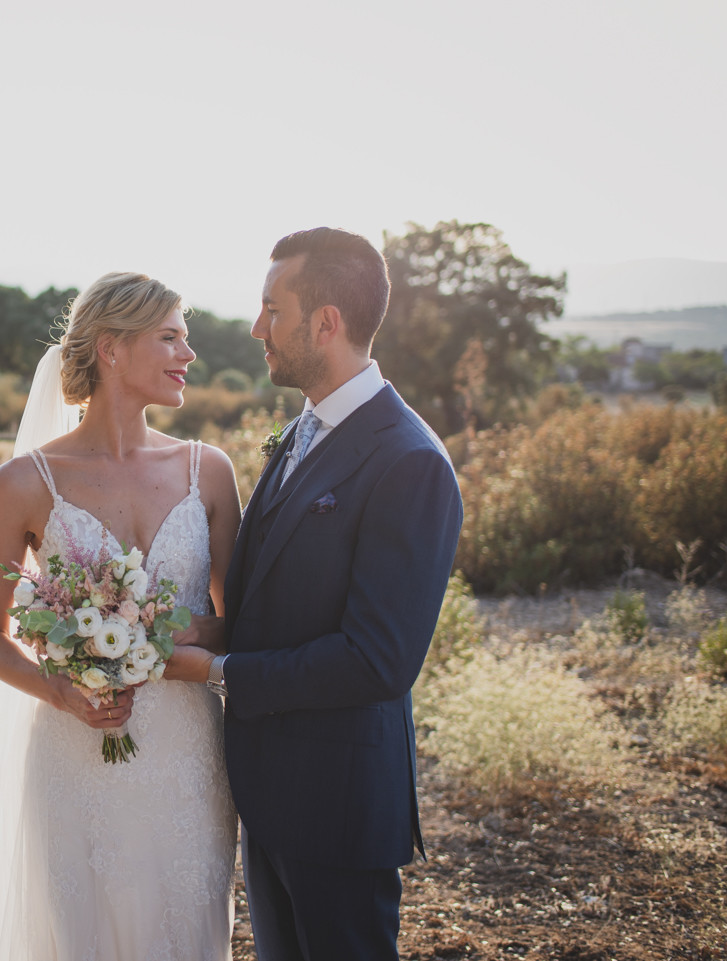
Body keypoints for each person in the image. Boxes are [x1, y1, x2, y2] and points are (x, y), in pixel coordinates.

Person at [0, 272, 243, 960]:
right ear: (112, 349)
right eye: (170, 337)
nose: (189, 354)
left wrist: (178, 633)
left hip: (188, 754)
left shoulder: (208, 471)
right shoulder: (24, 482)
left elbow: (239, 622)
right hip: (74, 753)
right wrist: (61, 691)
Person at [168, 228, 464, 960]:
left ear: (325, 322)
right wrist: (204, 633)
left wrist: (218, 673)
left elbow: (377, 660)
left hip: (339, 806)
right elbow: (275, 597)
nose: (255, 327)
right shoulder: (303, 430)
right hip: (272, 797)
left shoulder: (409, 461)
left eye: (273, 308)